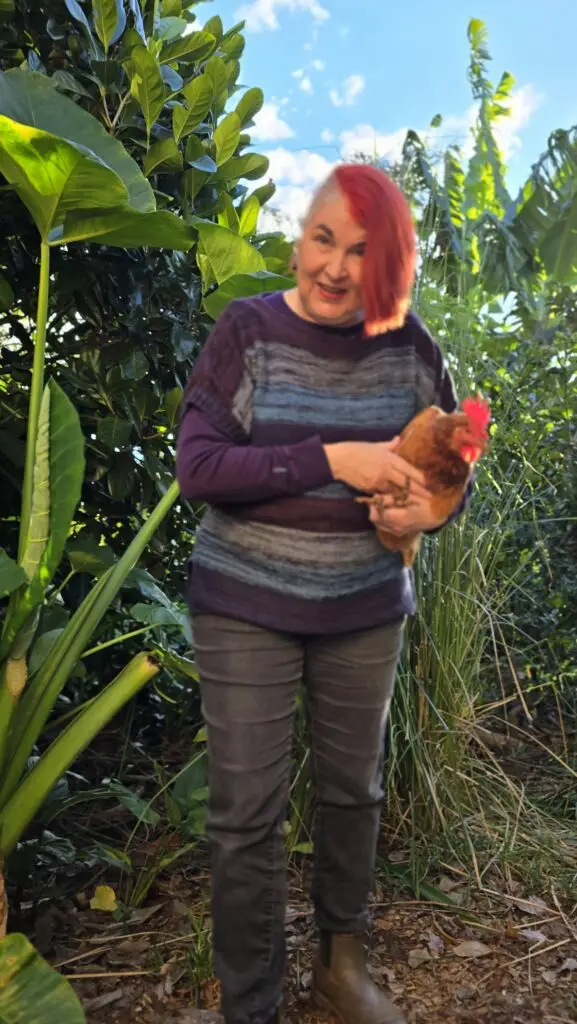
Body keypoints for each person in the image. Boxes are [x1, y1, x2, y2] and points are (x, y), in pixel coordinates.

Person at [176, 164, 468, 1024]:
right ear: (299, 236)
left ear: (393, 264)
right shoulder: (249, 330)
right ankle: (251, 1001)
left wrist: (423, 511)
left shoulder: (413, 350)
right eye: (321, 240)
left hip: (362, 609)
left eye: (362, 253)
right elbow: (199, 469)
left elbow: (447, 475)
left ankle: (343, 965)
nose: (335, 268)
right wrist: (332, 458)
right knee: (246, 816)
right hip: (244, 603)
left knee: (353, 792)